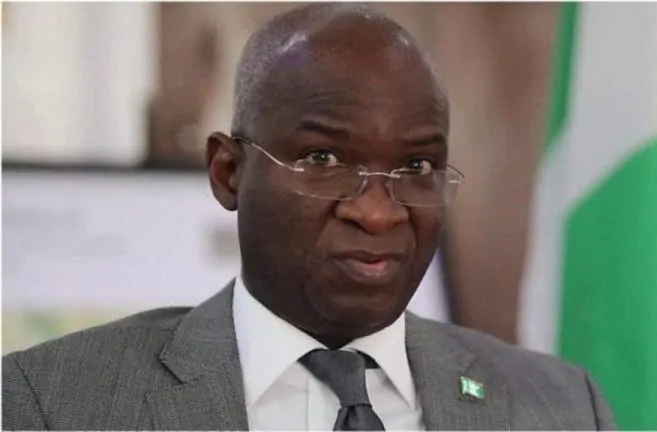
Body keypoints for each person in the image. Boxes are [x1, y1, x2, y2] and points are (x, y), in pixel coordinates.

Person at [2, 4, 616, 430]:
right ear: (228, 173)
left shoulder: (562, 408)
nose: (377, 212)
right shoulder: (54, 403)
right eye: (323, 160)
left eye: (417, 167)